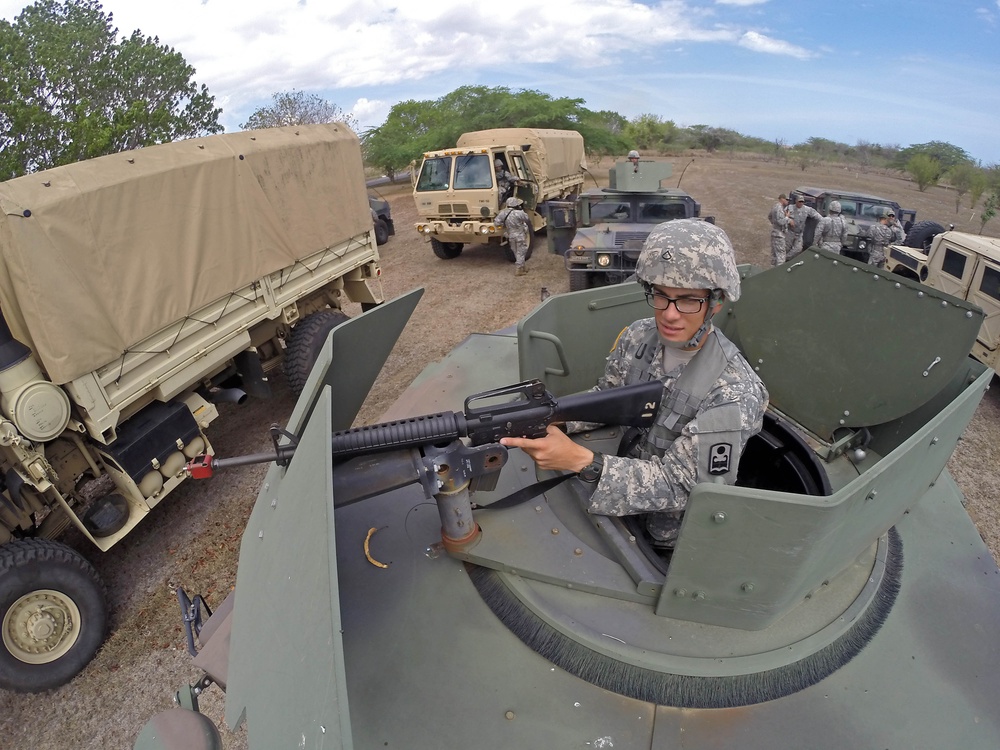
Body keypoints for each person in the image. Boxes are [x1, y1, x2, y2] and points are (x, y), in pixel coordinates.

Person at [501, 220, 769, 548]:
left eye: (687, 301)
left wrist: (579, 460)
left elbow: (684, 488)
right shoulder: (639, 335)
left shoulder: (733, 392)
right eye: (660, 296)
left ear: (715, 303)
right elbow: (608, 396)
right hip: (618, 496)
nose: (670, 315)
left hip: (669, 537)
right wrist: (553, 416)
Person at [494, 196, 532, 276]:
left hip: (510, 235)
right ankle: (519, 270)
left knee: (516, 252)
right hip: (520, 235)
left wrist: (504, 226)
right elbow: (527, 218)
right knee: (521, 252)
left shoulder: (503, 213)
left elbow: (496, 223)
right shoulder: (519, 213)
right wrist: (520, 209)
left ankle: (523, 267)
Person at [785, 195, 823, 260]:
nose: (801, 203)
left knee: (798, 249)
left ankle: (786, 258)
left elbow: (817, 215)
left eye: (802, 202)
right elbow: (781, 217)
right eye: (799, 201)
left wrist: (824, 221)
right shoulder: (789, 208)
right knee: (786, 248)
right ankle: (783, 261)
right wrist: (789, 220)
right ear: (796, 201)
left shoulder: (807, 209)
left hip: (799, 234)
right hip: (790, 232)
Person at [768, 193, 793, 265]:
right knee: (781, 256)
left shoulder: (774, 207)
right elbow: (781, 221)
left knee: (774, 255)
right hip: (779, 235)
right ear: (782, 199)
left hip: (774, 232)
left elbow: (769, 217)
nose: (787, 202)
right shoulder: (779, 208)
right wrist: (787, 217)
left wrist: (774, 224)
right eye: (786, 200)